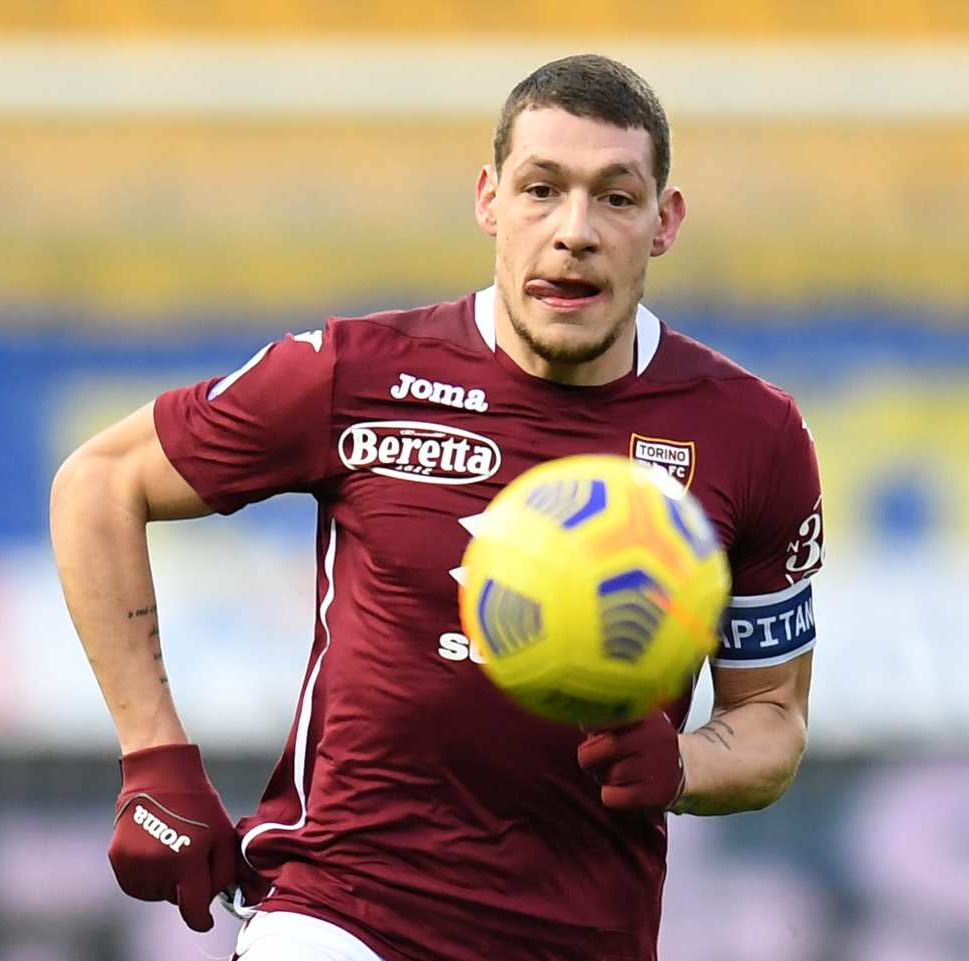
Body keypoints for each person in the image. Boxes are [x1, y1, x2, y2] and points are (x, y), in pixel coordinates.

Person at [50, 54, 824, 961]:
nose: (574, 231)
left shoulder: (752, 434)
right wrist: (154, 758)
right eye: (543, 189)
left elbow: (772, 716)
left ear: (665, 222)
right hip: (339, 910)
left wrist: (686, 764)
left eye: (616, 198)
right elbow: (100, 483)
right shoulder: (354, 374)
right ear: (491, 201)